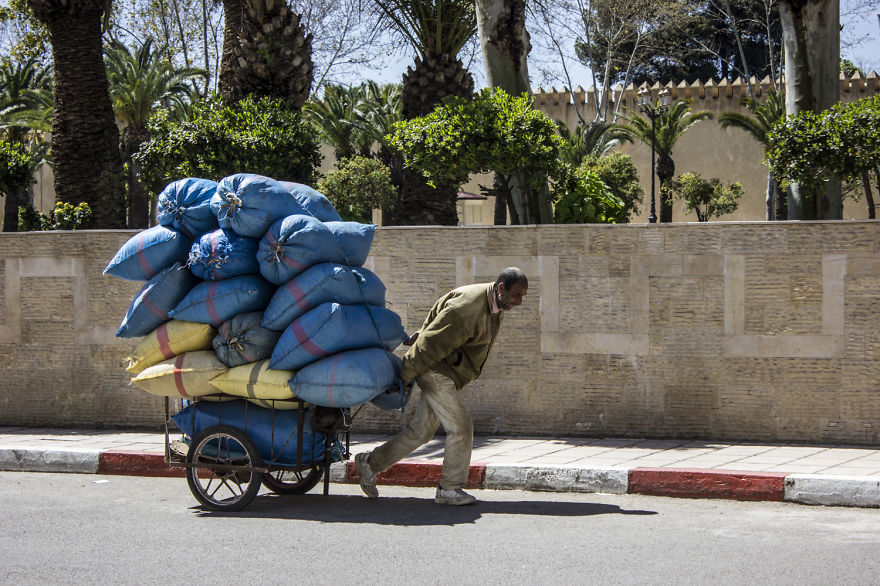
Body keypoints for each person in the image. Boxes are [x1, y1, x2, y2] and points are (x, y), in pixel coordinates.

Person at [355, 267, 528, 505]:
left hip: (447, 371)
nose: (519, 302)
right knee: (461, 427)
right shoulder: (468, 308)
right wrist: (405, 376)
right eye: (517, 295)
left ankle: (369, 463)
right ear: (501, 288)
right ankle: (449, 489)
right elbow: (429, 343)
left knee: (421, 432)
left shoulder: (494, 305)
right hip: (435, 370)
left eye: (522, 296)